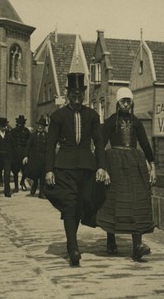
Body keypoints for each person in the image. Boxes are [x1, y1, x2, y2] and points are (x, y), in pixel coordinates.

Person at [44, 72, 106, 267]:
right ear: (68, 93)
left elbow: (99, 142)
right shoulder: (57, 117)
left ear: (84, 93)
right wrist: (49, 169)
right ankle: (73, 248)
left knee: (82, 205)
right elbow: (50, 144)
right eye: (74, 94)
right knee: (70, 205)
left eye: (80, 94)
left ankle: (73, 243)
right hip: (64, 167)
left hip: (87, 168)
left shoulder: (92, 116)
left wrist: (102, 166)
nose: (77, 98)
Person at [96, 87, 157, 262]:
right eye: (122, 101)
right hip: (114, 164)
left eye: (128, 101)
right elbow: (100, 144)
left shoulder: (136, 122)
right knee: (113, 200)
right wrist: (103, 167)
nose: (125, 104)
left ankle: (137, 245)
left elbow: (145, 144)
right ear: (117, 102)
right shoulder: (110, 121)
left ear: (132, 102)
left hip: (133, 164)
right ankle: (111, 241)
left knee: (136, 201)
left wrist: (153, 166)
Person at [23, 117, 48, 199]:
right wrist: (26, 156)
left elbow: (50, 148)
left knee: (43, 176)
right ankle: (34, 185)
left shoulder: (47, 136)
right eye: (39, 125)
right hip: (34, 158)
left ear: (44, 127)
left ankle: (41, 193)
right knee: (35, 175)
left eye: (42, 126)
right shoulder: (33, 136)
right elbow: (28, 146)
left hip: (44, 159)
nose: (40, 127)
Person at [11, 115, 31, 192]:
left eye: (21, 123)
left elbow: (29, 143)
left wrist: (27, 153)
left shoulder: (27, 131)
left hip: (24, 152)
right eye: (19, 123)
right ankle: (16, 186)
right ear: (17, 123)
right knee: (15, 170)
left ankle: (22, 182)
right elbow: (11, 142)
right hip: (15, 153)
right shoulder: (13, 131)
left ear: (24, 123)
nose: (20, 124)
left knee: (25, 169)